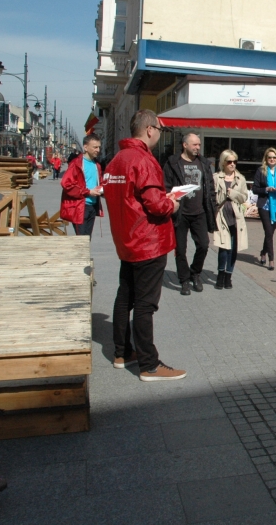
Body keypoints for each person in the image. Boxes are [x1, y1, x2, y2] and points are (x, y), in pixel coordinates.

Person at [103, 109, 186, 381]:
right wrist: (172, 204)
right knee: (145, 304)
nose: (160, 135)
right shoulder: (143, 160)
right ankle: (149, 365)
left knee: (124, 297)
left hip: (126, 240)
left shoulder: (116, 161)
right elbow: (155, 204)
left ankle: (122, 352)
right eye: (159, 130)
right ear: (150, 129)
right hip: (147, 241)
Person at [163, 133, 217, 295]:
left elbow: (210, 187)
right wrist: (170, 201)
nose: (198, 147)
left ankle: (195, 272)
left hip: (199, 212)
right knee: (180, 249)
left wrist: (212, 208)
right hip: (180, 213)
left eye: (199, 145)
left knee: (204, 245)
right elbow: (165, 186)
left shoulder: (203, 163)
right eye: (194, 144)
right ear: (185, 145)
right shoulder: (173, 163)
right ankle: (184, 280)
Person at [213, 149, 249, 290]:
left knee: (233, 249)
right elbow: (212, 198)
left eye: (235, 161)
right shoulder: (216, 177)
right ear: (223, 162)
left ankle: (228, 276)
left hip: (236, 217)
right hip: (221, 215)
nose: (232, 164)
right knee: (223, 247)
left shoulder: (240, 179)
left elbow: (244, 197)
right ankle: (220, 275)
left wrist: (233, 193)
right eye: (229, 162)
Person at [60, 133, 104, 236]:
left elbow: (100, 182)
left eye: (99, 147)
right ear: (85, 147)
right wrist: (88, 192)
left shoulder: (97, 165)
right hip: (80, 207)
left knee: (87, 238)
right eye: (95, 147)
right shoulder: (76, 164)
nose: (98, 150)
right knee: (81, 239)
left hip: (93, 206)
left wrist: (103, 189)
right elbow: (66, 183)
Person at [252, 147, 276, 270]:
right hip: (264, 205)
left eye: (274, 157)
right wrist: (266, 189)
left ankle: (263, 252)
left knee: (270, 232)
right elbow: (254, 189)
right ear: (266, 159)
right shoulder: (261, 171)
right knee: (268, 231)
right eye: (270, 157)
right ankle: (271, 260)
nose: (272, 159)